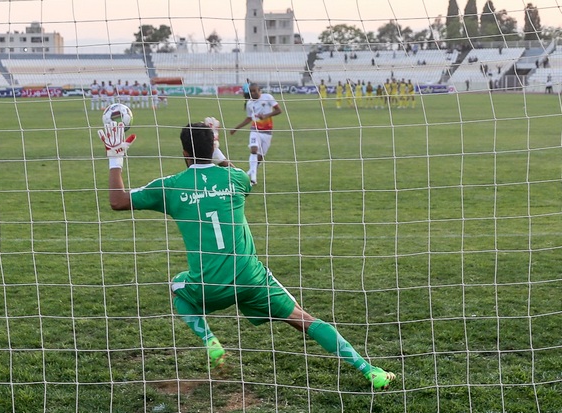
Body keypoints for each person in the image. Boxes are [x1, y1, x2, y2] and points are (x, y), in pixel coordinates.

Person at [97, 120, 397, 390]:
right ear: (212, 146)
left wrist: (116, 156)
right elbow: (227, 168)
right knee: (306, 320)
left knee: (177, 287)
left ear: (184, 154)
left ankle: (210, 341)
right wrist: (216, 147)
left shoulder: (171, 187)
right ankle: (370, 370)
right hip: (251, 278)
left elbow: (117, 201)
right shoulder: (236, 179)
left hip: (209, 286)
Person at [230, 83, 282, 185]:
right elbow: (249, 118)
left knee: (260, 157)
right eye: (251, 91)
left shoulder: (268, 97)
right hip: (255, 130)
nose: (253, 93)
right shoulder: (249, 103)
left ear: (259, 90)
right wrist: (236, 128)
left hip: (267, 132)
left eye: (255, 91)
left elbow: (279, 110)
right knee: (253, 150)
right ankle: (253, 179)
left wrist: (267, 115)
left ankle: (249, 172)